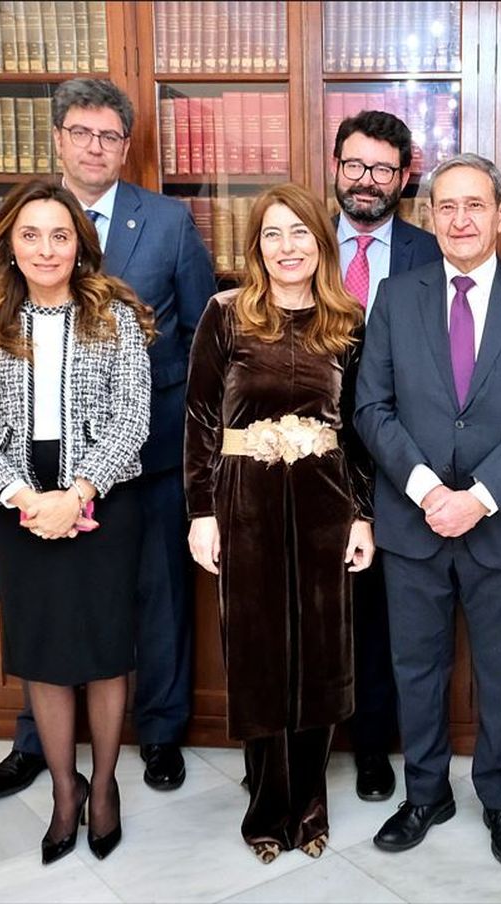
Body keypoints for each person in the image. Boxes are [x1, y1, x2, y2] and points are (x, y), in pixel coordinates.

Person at [0, 78, 216, 801]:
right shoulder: (28, 217)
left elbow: (205, 331)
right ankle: (37, 745)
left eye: (109, 135)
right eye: (81, 132)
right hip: (38, 459)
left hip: (152, 449)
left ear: (126, 145)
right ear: (58, 138)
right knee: (43, 602)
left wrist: (138, 371)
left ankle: (163, 732)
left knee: (158, 596)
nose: (95, 146)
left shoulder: (168, 221)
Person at [355, 153, 501, 869]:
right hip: (412, 522)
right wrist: (426, 492)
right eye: (446, 206)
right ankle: (425, 794)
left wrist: (476, 499)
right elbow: (371, 407)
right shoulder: (395, 296)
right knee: (416, 668)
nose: (460, 219)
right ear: (428, 215)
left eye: (475, 204)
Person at [0, 179, 157, 864]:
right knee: (43, 654)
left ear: (79, 245)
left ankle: (102, 788)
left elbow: (134, 417)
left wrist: (77, 494)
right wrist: (22, 496)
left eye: (60, 235)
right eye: (31, 235)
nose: (46, 248)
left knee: (102, 653)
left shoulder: (114, 317)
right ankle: (63, 793)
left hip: (101, 502)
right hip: (20, 511)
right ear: (11, 245)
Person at [184, 183, 376, 863]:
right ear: (256, 246)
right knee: (261, 654)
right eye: (272, 234)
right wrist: (201, 513)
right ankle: (268, 803)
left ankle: (311, 801)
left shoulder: (347, 321)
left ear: (320, 244)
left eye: (300, 233)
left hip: (325, 503)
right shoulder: (226, 315)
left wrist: (362, 515)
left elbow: (359, 431)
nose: (287, 247)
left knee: (320, 654)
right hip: (246, 504)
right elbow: (202, 419)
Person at [331, 109, 444, 801]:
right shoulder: (301, 238)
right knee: (312, 607)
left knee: (379, 613)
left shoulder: (431, 253)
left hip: (399, 457)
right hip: (303, 452)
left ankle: (374, 746)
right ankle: (310, 740)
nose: (365, 181)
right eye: (353, 165)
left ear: (405, 176)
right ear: (336, 166)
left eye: (381, 168)